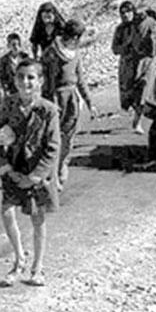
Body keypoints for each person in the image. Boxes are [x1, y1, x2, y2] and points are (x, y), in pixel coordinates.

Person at [0, 59, 61, 287]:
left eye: (31, 77)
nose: (25, 82)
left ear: (40, 81)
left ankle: (37, 268)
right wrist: (5, 167)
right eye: (20, 77)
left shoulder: (48, 110)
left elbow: (53, 146)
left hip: (35, 173)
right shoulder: (8, 105)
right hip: (13, 170)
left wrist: (36, 175)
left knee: (37, 219)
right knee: (6, 212)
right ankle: (19, 258)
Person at [41, 19, 97, 189]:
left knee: (69, 137)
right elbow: (47, 81)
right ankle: (53, 176)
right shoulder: (51, 53)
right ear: (73, 36)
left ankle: (61, 164)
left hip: (72, 98)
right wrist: (48, 103)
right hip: (56, 98)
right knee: (55, 138)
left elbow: (80, 79)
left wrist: (89, 103)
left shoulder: (75, 53)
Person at [112, 1, 156, 135]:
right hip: (128, 66)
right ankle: (135, 114)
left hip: (145, 64)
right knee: (128, 95)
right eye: (122, 13)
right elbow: (115, 49)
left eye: (127, 12)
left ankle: (137, 122)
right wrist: (126, 45)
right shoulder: (120, 29)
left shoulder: (146, 25)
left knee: (143, 93)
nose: (124, 15)